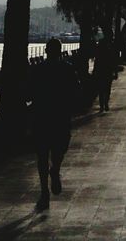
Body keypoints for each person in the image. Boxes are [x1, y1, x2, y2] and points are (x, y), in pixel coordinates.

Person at [26, 38, 78, 211]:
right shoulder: (68, 69)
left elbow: (28, 93)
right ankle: (55, 169)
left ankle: (44, 192)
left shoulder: (37, 69)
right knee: (59, 150)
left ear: (47, 51)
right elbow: (75, 92)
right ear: (59, 51)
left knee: (41, 156)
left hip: (41, 117)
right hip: (60, 118)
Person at [93, 34, 115, 113]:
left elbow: (96, 63)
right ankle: (105, 103)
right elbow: (113, 62)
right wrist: (114, 72)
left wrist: (94, 72)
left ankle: (102, 105)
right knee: (107, 89)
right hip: (107, 72)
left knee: (101, 90)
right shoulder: (109, 51)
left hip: (100, 72)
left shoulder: (98, 53)